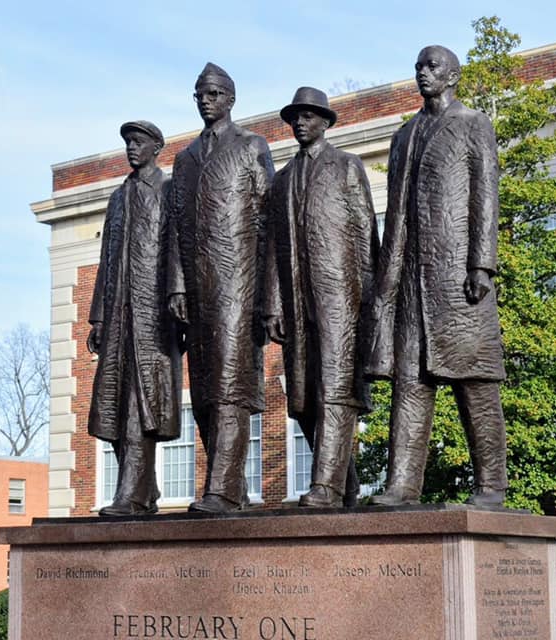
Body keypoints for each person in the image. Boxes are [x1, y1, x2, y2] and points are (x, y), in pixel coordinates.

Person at [366, 46, 508, 507]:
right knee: (411, 384)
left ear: (453, 75)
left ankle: (491, 486)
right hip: (410, 280)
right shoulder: (404, 134)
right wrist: (386, 283)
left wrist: (481, 264)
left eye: (432, 67)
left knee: (476, 384)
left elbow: (485, 194)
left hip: (458, 276)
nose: (423, 74)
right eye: (418, 68)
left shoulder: (473, 124)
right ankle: (402, 484)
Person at [263, 87, 379, 508]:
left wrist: (370, 295)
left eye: (310, 116)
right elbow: (273, 249)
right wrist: (273, 303)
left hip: (341, 298)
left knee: (336, 387)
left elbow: (367, 232)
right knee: (305, 397)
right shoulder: (282, 180)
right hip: (295, 301)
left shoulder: (347, 167)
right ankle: (344, 486)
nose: (301, 123)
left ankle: (326, 486)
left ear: (326, 121)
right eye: (295, 117)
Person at [167, 63, 275, 513]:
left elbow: (268, 222)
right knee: (206, 392)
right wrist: (176, 285)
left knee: (232, 387)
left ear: (230, 98)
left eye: (213, 93)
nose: (205, 100)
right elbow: (174, 227)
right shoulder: (184, 159)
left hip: (239, 285)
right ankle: (232, 490)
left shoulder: (252, 147)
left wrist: (268, 296)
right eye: (199, 93)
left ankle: (222, 489)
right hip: (196, 291)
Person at [87, 120, 182, 516]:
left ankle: (131, 494)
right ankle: (146, 489)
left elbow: (178, 247)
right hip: (117, 317)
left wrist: (177, 293)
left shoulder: (167, 189)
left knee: (141, 403)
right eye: (128, 142)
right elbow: (106, 260)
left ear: (156, 147)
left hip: (153, 316)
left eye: (138, 142)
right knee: (108, 406)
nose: (131, 148)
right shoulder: (118, 198)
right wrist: (97, 318)